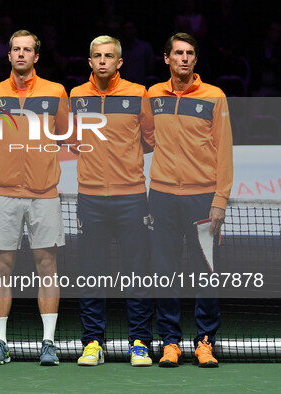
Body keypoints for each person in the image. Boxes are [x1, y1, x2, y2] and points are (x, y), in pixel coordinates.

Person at [0, 29, 68, 366]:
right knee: (1, 267)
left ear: (36, 56)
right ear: (9, 56)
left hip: (44, 193)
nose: (20, 54)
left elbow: (62, 133)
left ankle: (48, 342)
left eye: (27, 50)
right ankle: (0, 344)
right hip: (5, 193)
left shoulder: (55, 91)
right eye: (15, 49)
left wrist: (40, 160)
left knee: (47, 265)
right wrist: (6, 160)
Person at [148, 32, 233, 368]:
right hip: (163, 197)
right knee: (164, 272)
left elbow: (224, 151)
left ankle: (205, 342)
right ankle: (171, 342)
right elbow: (142, 133)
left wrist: (220, 199)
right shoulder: (153, 95)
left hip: (202, 198)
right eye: (178, 53)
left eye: (190, 53)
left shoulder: (215, 96)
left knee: (206, 273)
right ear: (166, 58)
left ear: (195, 60)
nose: (184, 58)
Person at [69, 36, 155, 367]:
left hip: (132, 196)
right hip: (89, 198)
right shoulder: (76, 96)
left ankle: (139, 343)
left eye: (109, 56)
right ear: (89, 61)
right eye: (97, 56)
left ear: (119, 62)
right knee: (92, 273)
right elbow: (74, 140)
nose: (102, 61)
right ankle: (93, 343)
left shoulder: (138, 93)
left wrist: (122, 160)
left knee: (137, 274)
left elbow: (149, 140)